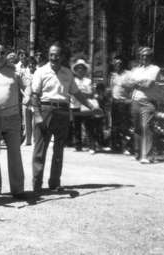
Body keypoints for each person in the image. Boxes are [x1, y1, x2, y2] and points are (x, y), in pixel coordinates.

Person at [31, 42, 103, 194]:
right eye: (51, 54)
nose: (54, 57)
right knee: (40, 149)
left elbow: (77, 93)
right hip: (45, 110)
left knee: (59, 150)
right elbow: (34, 95)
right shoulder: (40, 71)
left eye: (57, 55)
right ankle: (37, 185)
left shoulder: (67, 73)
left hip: (63, 111)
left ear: (62, 56)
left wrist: (92, 107)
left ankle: (54, 182)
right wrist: (37, 114)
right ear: (48, 55)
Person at [0, 43, 26, 200]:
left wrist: (27, 95)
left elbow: (27, 87)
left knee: (15, 153)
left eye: (2, 53)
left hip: (13, 117)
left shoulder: (15, 70)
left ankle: (18, 189)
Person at [126, 47, 161, 164]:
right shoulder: (136, 69)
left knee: (147, 127)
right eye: (142, 56)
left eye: (147, 55)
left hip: (148, 102)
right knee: (137, 128)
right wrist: (139, 82)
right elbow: (127, 83)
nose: (144, 58)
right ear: (139, 57)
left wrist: (135, 82)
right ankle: (137, 154)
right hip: (135, 100)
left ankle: (148, 156)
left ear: (151, 57)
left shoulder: (155, 69)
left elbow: (148, 84)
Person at [109, 56, 133, 154]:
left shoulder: (128, 74)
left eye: (119, 63)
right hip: (114, 102)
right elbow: (111, 88)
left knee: (125, 125)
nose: (117, 65)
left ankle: (126, 147)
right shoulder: (113, 75)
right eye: (115, 63)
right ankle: (115, 146)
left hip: (124, 102)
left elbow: (133, 88)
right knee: (114, 125)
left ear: (123, 63)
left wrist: (130, 100)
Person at [23, 57, 37, 145]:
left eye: (33, 64)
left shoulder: (39, 73)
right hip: (26, 98)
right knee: (26, 120)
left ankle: (34, 139)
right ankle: (27, 140)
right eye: (30, 64)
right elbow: (21, 86)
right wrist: (25, 95)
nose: (31, 65)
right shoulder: (24, 73)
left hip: (35, 99)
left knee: (34, 121)